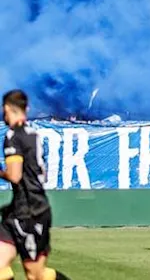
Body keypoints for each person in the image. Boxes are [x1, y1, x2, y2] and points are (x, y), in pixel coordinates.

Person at [0, 89, 72, 280]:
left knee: (36, 275)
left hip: (31, 213)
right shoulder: (34, 134)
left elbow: (15, 176)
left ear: (7, 108)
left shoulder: (13, 135)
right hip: (18, 210)